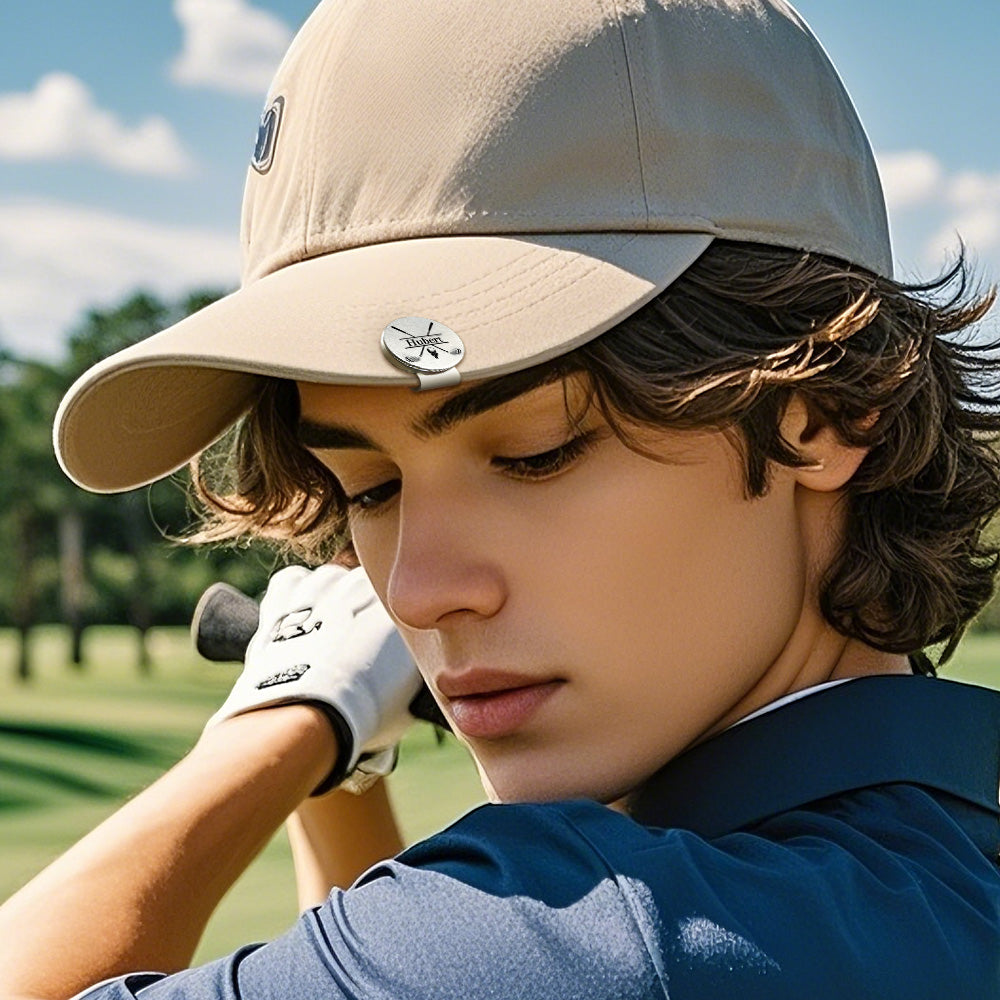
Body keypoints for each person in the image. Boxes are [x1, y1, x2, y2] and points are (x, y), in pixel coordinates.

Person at [2, 0, 1000, 996]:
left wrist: (287, 719)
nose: (418, 590)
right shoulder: (940, 862)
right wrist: (345, 787)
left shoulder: (591, 930)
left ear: (822, 411)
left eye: (534, 454)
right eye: (370, 486)